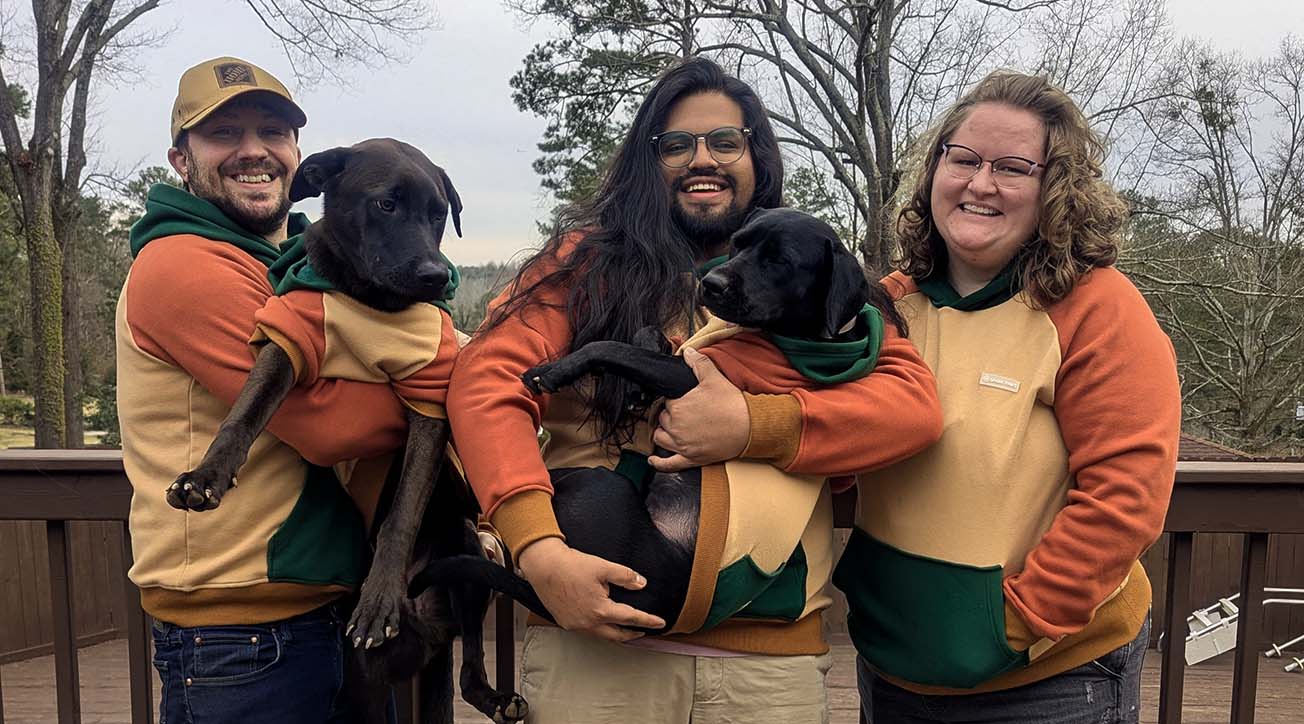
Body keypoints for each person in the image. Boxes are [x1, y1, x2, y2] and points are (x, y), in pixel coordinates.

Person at [447, 56, 943, 724]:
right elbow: (486, 385)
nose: (700, 159)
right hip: (593, 651)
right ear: (647, 163)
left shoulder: (815, 271)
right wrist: (538, 551)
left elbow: (911, 410)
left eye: (725, 142)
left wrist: (752, 426)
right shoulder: (581, 265)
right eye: (675, 145)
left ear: (757, 156)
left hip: (769, 666)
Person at [833, 71, 1181, 723]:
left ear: (1056, 189)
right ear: (934, 169)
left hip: (1047, 681)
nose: (980, 183)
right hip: (892, 672)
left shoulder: (1098, 309)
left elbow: (1124, 497)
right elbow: (835, 450)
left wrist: (1013, 627)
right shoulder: (887, 306)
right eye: (961, 159)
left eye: (1013, 168)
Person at [116, 57, 408, 722]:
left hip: (331, 612)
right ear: (181, 160)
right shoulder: (185, 266)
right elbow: (331, 424)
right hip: (241, 638)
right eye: (224, 134)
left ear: (297, 154)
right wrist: (441, 392)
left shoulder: (293, 267)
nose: (254, 151)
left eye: (273, 131)